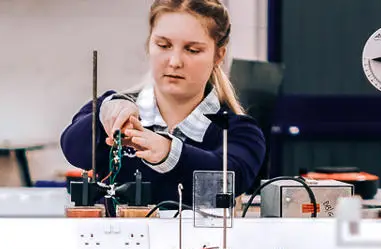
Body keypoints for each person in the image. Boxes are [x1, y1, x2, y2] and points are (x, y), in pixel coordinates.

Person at [61, 0, 266, 207]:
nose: (175, 61)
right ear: (149, 44)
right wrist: (105, 113)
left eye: (193, 50)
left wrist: (169, 153)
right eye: (164, 45)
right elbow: (73, 149)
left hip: (202, 241)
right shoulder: (114, 109)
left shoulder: (238, 131)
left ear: (219, 55)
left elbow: (230, 178)